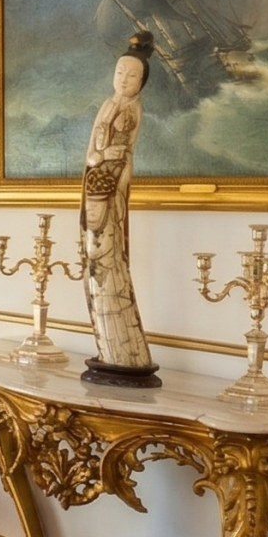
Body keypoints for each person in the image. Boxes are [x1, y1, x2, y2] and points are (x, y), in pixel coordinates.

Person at [80, 31, 161, 386]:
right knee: (94, 253)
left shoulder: (133, 109)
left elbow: (124, 156)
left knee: (108, 255)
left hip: (111, 187)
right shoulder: (107, 104)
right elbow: (92, 152)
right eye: (119, 73)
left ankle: (124, 350)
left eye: (132, 75)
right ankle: (111, 345)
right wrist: (101, 155)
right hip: (95, 182)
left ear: (142, 82)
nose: (124, 80)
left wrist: (111, 165)